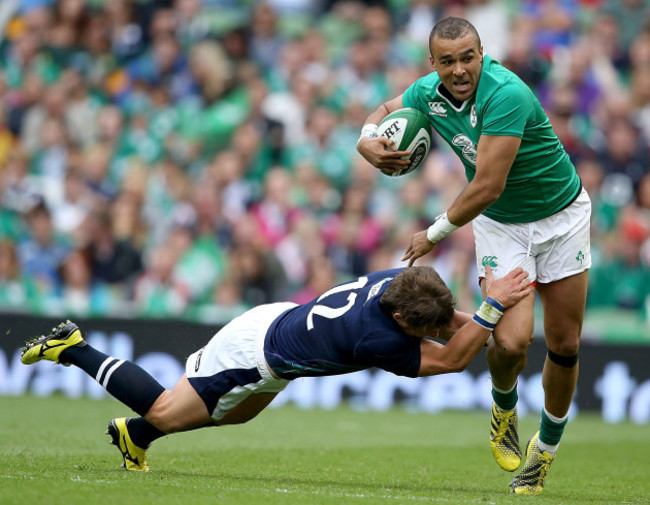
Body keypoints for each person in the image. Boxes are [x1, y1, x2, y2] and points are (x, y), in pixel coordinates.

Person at [356, 17, 591, 496]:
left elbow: (487, 185)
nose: (460, 69)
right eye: (448, 61)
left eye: (468, 57)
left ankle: (543, 454)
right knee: (509, 344)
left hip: (561, 220)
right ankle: (504, 408)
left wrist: (433, 233)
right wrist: (365, 137)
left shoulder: (507, 93)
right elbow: (385, 106)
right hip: (503, 227)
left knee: (564, 345)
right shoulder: (428, 91)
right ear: (433, 64)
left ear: (482, 53)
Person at [21, 265, 531, 472]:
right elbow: (452, 355)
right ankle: (72, 347)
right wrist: (491, 310)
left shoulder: (403, 281)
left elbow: (443, 323)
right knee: (167, 409)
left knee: (240, 416)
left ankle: (135, 436)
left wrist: (489, 312)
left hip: (278, 327)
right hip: (253, 354)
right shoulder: (376, 339)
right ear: (401, 321)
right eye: (416, 327)